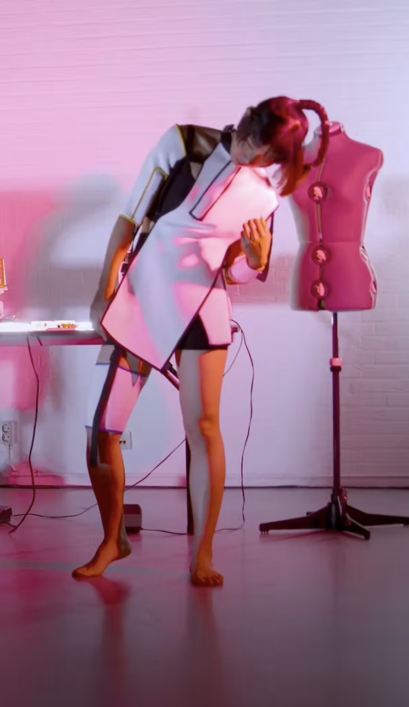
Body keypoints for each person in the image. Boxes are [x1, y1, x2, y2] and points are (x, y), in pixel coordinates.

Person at [78, 97, 330, 586]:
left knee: (206, 428)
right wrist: (104, 291)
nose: (252, 162)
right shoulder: (182, 143)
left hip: (203, 308)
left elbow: (234, 272)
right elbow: (130, 220)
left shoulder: (265, 197)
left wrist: (255, 260)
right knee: (100, 431)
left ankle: (203, 555)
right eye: (251, 148)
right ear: (245, 124)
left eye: (266, 160)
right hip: (142, 296)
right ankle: (113, 539)